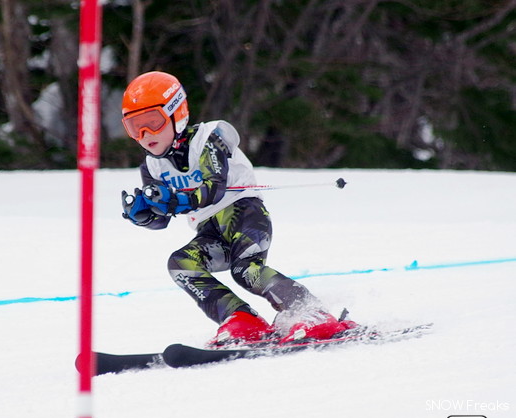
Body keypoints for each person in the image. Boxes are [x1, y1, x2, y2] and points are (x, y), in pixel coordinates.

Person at [120, 71, 356, 347]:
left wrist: (175, 201)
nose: (145, 134)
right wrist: (144, 215)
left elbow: (214, 187)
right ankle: (242, 320)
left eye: (153, 122)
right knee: (181, 264)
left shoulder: (208, 139)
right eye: (134, 127)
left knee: (245, 270)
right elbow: (161, 220)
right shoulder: (151, 166)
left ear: (177, 114)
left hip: (245, 215)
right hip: (210, 230)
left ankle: (311, 312)